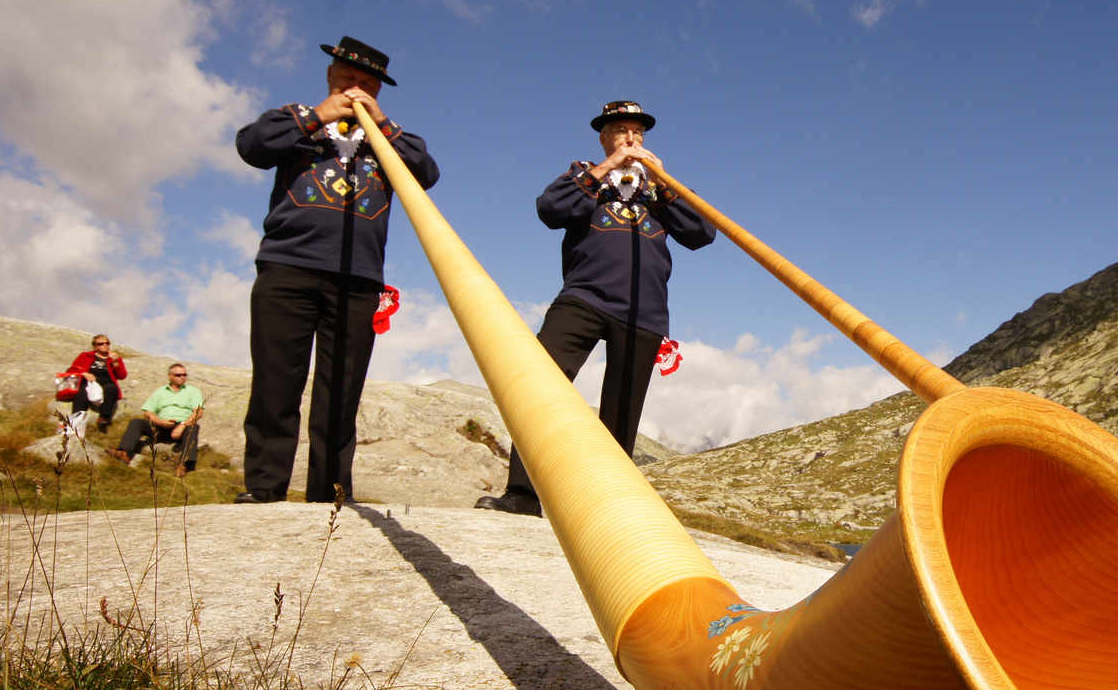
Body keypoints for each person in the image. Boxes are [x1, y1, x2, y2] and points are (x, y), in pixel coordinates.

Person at [475, 100, 714, 515]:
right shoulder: (584, 175)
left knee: (621, 414)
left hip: (644, 311)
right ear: (604, 138)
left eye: (637, 132)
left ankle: (604, 507)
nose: (630, 139)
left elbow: (703, 231)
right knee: (541, 383)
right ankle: (524, 494)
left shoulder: (661, 188)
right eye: (620, 131)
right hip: (583, 297)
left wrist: (663, 181)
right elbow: (550, 209)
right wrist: (607, 167)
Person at [234, 37, 439, 504]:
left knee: (342, 390)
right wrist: (321, 114)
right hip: (288, 266)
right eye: (349, 79)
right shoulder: (295, 118)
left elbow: (426, 173)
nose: (356, 89)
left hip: (359, 277)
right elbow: (251, 145)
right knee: (276, 381)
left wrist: (381, 124)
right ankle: (264, 486)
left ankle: (328, 493)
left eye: (367, 84)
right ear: (330, 75)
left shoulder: (389, 136)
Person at [107, 363, 203, 473]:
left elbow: (198, 413)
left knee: (193, 427)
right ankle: (124, 453)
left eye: (184, 375)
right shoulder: (160, 392)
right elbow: (148, 413)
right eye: (178, 375)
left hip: (181, 428)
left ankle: (184, 465)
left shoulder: (193, 391)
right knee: (136, 422)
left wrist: (182, 425)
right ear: (169, 376)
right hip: (161, 427)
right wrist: (161, 423)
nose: (182, 377)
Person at [66, 334, 126, 432]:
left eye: (107, 343)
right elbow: (71, 370)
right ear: (94, 346)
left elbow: (122, 376)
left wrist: (115, 363)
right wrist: (84, 373)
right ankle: (76, 421)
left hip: (106, 382)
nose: (104, 345)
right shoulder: (85, 356)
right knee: (82, 394)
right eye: (100, 344)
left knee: (112, 389)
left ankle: (104, 418)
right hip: (89, 382)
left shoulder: (115, 358)